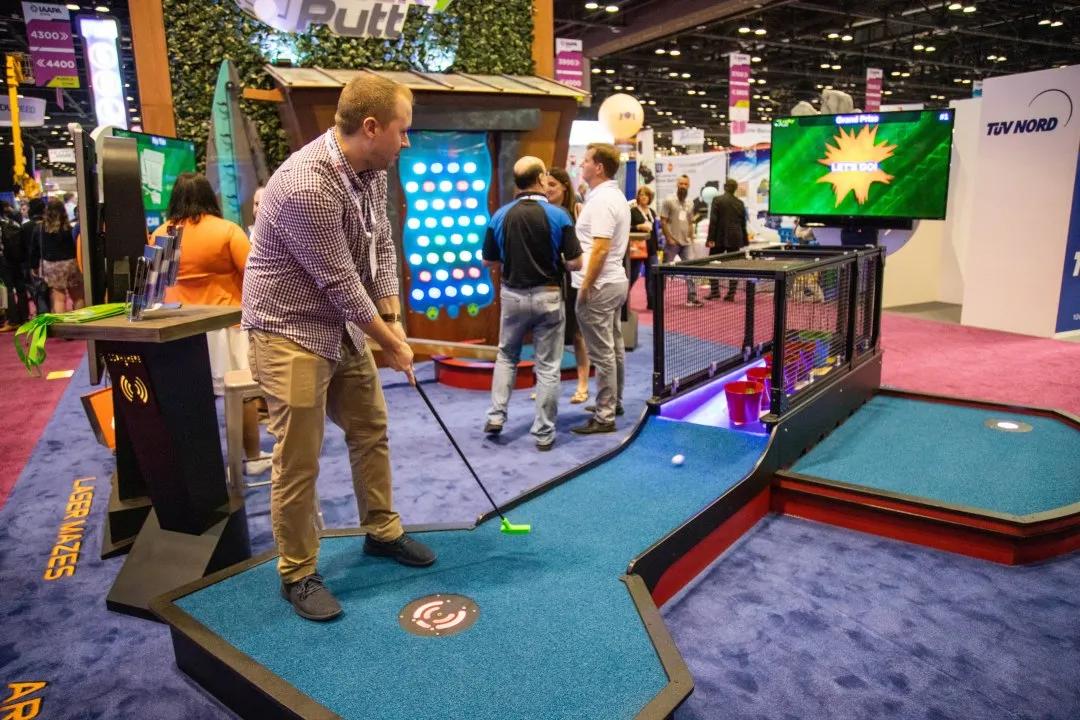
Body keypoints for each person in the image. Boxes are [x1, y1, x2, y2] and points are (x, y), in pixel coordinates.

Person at [242, 73, 433, 622]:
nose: (406, 142)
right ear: (371, 127)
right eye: (402, 130)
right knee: (299, 458)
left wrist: (392, 322)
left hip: (342, 325)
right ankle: (298, 572)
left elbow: (380, 248)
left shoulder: (372, 168)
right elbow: (341, 283)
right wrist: (393, 346)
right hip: (288, 330)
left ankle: (382, 530)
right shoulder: (307, 184)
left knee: (370, 427)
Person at [151, 173, 270, 476]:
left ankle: (199, 465)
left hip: (178, 328)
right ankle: (251, 458)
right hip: (226, 325)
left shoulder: (161, 234)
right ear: (209, 197)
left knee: (189, 398)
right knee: (241, 395)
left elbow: (155, 283)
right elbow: (254, 274)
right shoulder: (227, 230)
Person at [482, 157, 582, 451]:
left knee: (506, 357)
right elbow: (576, 262)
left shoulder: (500, 215)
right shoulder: (559, 215)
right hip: (548, 295)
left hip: (512, 296)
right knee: (548, 367)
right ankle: (544, 433)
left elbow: (488, 260)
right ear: (540, 179)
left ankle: (496, 416)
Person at [571, 143, 630, 435]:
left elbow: (601, 248)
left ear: (599, 167)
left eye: (585, 161)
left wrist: (586, 285)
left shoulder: (603, 200)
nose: (581, 165)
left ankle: (605, 416)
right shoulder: (610, 196)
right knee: (613, 346)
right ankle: (613, 403)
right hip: (612, 282)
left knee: (603, 352)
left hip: (600, 284)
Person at [545, 167, 591, 404]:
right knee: (548, 335)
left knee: (578, 334)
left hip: (574, 278)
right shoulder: (542, 210)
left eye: (552, 184)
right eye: (545, 184)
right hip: (550, 279)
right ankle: (546, 385)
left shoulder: (577, 210)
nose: (547, 189)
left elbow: (585, 247)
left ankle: (583, 384)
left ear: (564, 186)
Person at [30, 198, 84, 313]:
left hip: (51, 266)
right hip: (70, 264)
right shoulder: (69, 229)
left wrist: (34, 267)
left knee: (59, 299)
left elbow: (34, 250)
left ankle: (62, 323)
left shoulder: (39, 229)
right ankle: (81, 320)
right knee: (78, 297)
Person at [660, 174, 702, 307]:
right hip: (672, 243)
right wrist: (669, 238)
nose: (683, 186)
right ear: (677, 185)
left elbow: (690, 222)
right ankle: (659, 298)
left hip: (686, 243)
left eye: (685, 184)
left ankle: (692, 298)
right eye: (681, 184)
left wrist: (691, 236)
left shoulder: (690, 202)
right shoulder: (668, 200)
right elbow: (663, 221)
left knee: (691, 270)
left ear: (689, 185)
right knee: (663, 271)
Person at [706, 178, 749, 301]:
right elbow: (743, 223)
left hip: (719, 237)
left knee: (712, 264)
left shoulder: (717, 200)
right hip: (735, 238)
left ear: (725, 187)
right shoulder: (740, 203)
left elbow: (713, 221)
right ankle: (731, 294)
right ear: (735, 189)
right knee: (734, 266)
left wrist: (710, 239)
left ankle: (715, 292)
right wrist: (745, 240)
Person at [0, 201, 29, 331]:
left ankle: (13, 320)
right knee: (20, 287)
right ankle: (24, 317)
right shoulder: (14, 223)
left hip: (3, 260)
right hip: (17, 259)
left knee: (7, 289)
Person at [628, 185, 658, 310]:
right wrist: (638, 227)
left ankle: (652, 303)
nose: (643, 197)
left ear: (650, 197)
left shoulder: (652, 212)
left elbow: (655, 231)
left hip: (651, 249)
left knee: (652, 277)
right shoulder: (633, 211)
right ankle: (623, 299)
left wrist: (657, 247)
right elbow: (627, 228)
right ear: (638, 197)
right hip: (638, 248)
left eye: (646, 195)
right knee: (633, 275)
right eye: (641, 195)